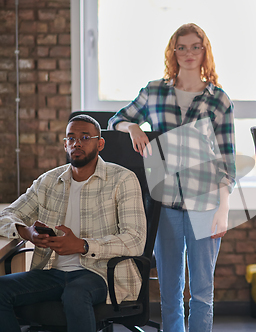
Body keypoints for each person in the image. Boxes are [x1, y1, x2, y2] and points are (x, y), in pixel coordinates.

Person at [107, 23, 236, 332]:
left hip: (206, 203)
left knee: (202, 292)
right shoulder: (154, 91)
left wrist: (224, 208)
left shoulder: (218, 99)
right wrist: (133, 127)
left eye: (195, 46)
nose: (188, 53)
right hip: (165, 203)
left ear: (204, 51)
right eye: (182, 47)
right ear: (173, 52)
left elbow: (226, 159)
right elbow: (116, 120)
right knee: (169, 290)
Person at [0, 115, 147, 332]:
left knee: (76, 294)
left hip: (99, 274)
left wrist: (83, 245)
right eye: (71, 138)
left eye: (84, 137)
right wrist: (26, 232)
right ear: (65, 145)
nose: (76, 143)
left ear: (100, 144)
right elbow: (7, 215)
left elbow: (135, 239)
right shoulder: (48, 181)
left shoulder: (123, 180)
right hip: (51, 273)